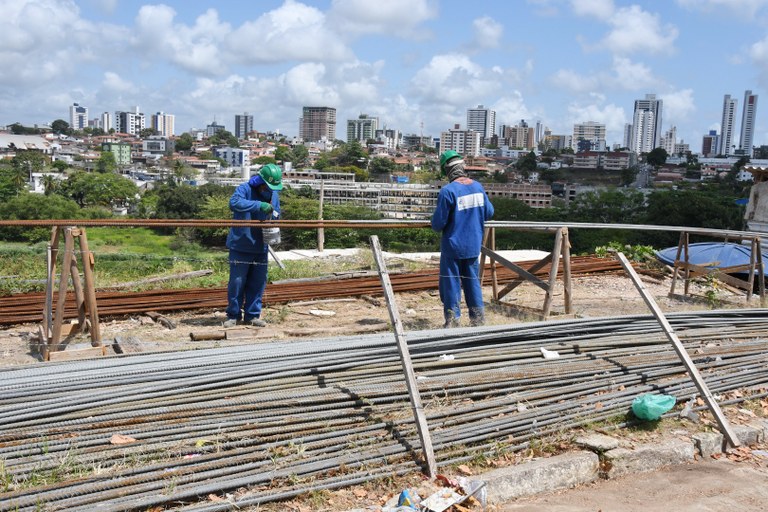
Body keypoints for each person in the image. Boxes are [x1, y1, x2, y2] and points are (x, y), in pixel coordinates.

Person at [431, 150, 494, 328]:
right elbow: (489, 213)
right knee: (472, 282)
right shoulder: (478, 187)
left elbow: (438, 224)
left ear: (446, 171)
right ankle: (478, 320)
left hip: (453, 247)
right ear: (462, 167)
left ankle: (452, 321)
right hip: (474, 245)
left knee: (451, 283)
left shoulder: (447, 191)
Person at [224, 163, 283, 327]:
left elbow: (276, 213)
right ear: (261, 181)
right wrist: (258, 205)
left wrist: (274, 219)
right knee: (237, 283)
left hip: (261, 246)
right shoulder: (244, 189)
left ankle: (252, 315)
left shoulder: (273, 194)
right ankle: (233, 315)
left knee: (258, 282)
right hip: (240, 244)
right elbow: (234, 203)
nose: (269, 190)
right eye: (267, 186)